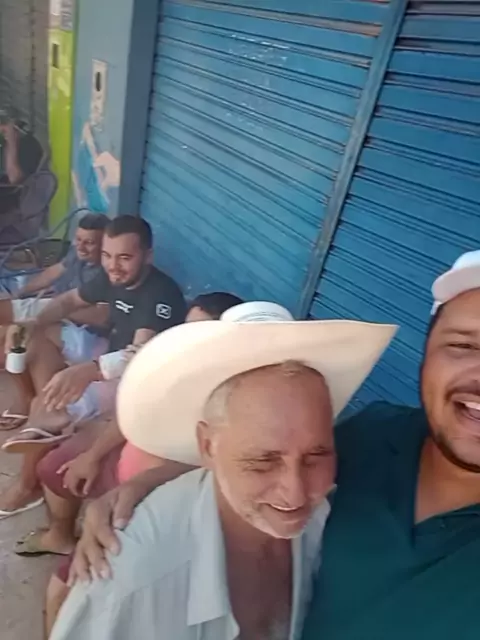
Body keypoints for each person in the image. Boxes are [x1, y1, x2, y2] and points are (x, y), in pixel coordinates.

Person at [63, 250, 480, 640]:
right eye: (464, 345)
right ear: (427, 353)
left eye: (317, 457)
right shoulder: (375, 434)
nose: (296, 493)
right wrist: (144, 487)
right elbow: (270, 442)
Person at [49, 301, 395, 640]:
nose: (297, 493)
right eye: (262, 462)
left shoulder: (335, 518)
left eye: (316, 455)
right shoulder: (127, 586)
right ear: (207, 446)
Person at [37, 292, 242, 634]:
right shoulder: (175, 367)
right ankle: (60, 535)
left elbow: (214, 469)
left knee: (65, 589)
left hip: (149, 503)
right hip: (126, 473)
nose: (188, 341)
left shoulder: (233, 400)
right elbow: (131, 412)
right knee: (54, 467)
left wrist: (137, 486)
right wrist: (92, 456)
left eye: (201, 333)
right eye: (185, 330)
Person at [0, 215, 186, 518]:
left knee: (47, 404)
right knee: (34, 339)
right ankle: (51, 412)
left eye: (124, 257)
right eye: (107, 255)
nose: (113, 266)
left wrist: (90, 369)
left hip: (133, 377)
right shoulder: (112, 276)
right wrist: (34, 322)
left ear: (148, 256)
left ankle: (28, 482)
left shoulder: (160, 295)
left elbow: (138, 355)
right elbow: (67, 302)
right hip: (108, 350)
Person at [0, 212, 109, 343]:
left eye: (89, 243)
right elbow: (54, 271)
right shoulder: (77, 252)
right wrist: (21, 291)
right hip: (58, 307)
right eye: (78, 239)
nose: (81, 247)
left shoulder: (106, 275)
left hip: (78, 326)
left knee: (11, 319)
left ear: (105, 245)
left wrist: (58, 309)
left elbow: (102, 316)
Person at [0, 118, 43, 215]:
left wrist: (11, 142)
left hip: (11, 206)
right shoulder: (2, 146)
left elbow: (14, 178)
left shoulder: (28, 144)